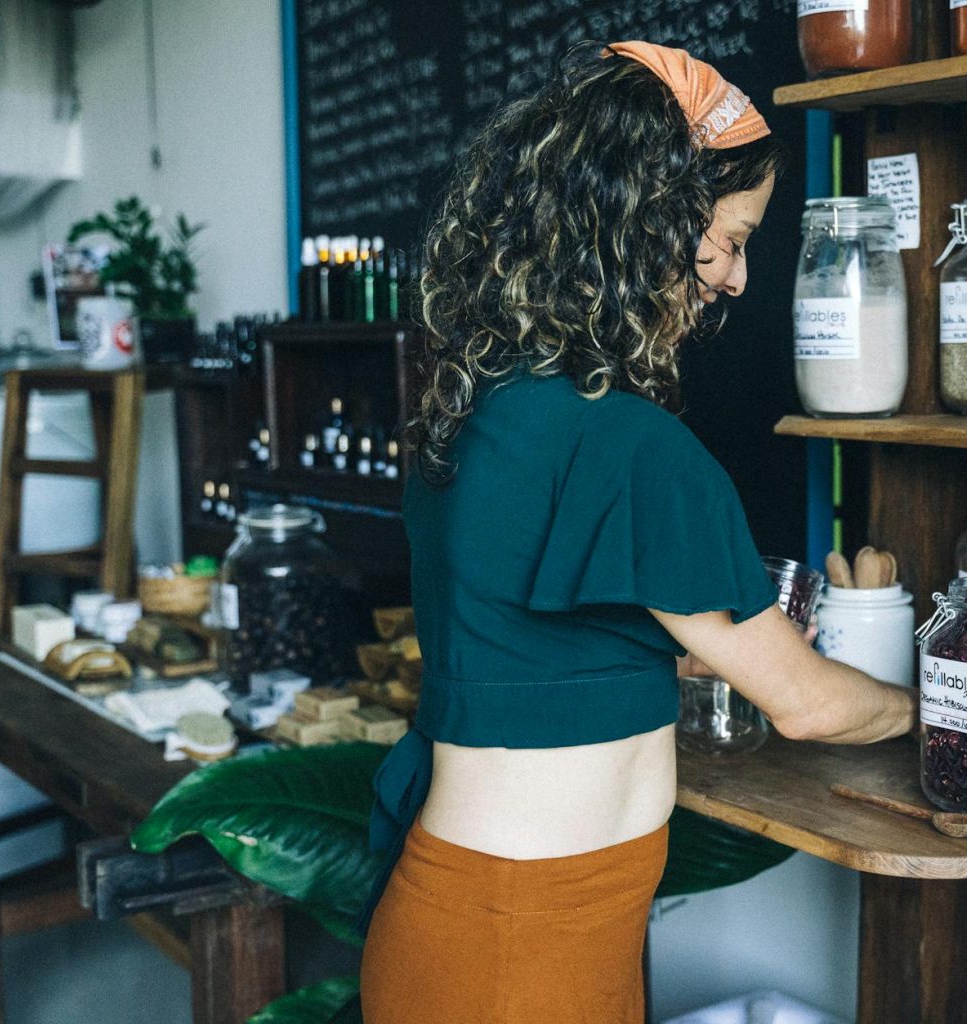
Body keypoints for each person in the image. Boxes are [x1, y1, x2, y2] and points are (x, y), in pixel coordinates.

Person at [357, 40, 915, 1024]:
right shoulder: (634, 445)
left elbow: (524, 647)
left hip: (473, 915)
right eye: (732, 239)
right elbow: (809, 707)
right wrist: (932, 709)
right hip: (527, 941)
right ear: (648, 227)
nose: (736, 278)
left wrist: (675, 659)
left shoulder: (480, 414)